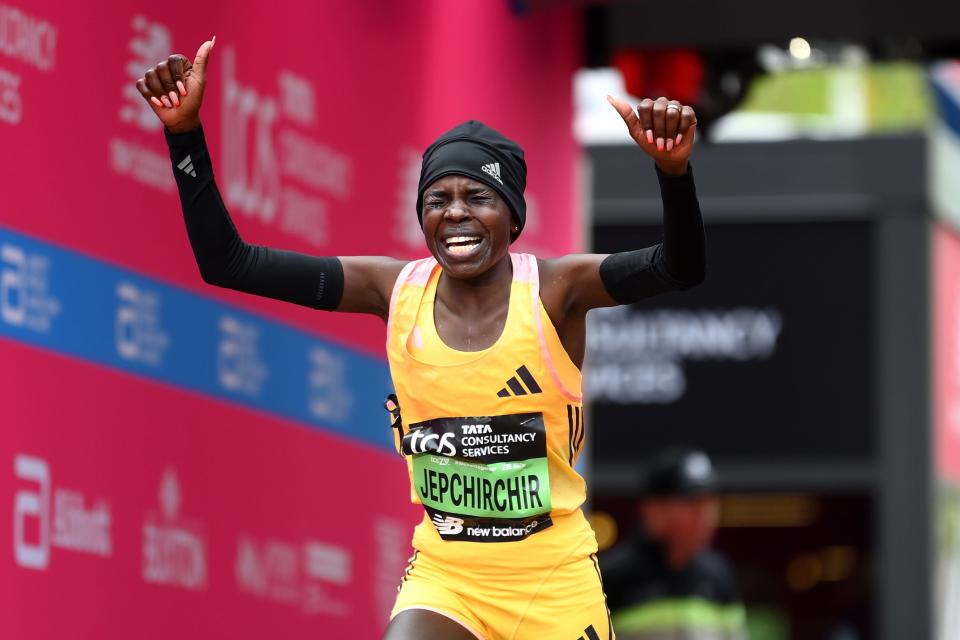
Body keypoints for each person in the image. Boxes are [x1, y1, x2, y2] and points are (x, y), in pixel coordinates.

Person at [136, 38, 705, 640]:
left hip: (551, 576)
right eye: (438, 200)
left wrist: (674, 173)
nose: (455, 213)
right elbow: (231, 263)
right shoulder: (393, 289)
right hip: (448, 574)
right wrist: (185, 135)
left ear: (512, 217)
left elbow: (679, 266)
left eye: (477, 197)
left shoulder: (557, 290)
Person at [599, 449, 746, 640]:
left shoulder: (719, 575)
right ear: (653, 509)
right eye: (692, 502)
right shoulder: (611, 576)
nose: (705, 515)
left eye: (710, 502)